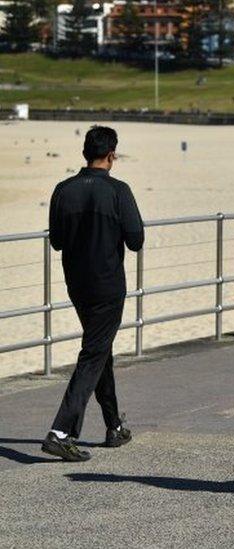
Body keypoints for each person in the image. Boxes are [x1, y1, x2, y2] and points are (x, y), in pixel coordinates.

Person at [42, 126, 143, 462]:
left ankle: (114, 426)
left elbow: (56, 241)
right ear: (112, 155)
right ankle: (61, 431)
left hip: (77, 284)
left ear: (85, 153)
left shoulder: (62, 190)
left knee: (100, 350)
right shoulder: (118, 190)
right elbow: (136, 240)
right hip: (108, 284)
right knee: (94, 353)